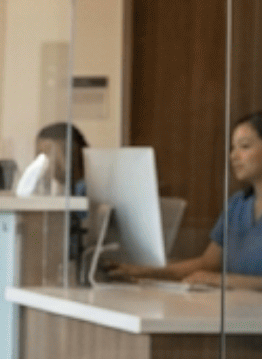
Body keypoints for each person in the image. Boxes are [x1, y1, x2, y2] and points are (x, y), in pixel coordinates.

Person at [109, 111, 262, 291]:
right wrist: (143, 271)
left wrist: (222, 280)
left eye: (244, 146)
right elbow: (208, 263)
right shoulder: (237, 204)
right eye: (232, 148)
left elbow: (214, 276)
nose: (233, 156)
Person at [34, 121, 89, 196]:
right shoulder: (68, 189)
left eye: (47, 152)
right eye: (39, 154)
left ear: (70, 151)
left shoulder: (86, 189)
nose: (41, 161)